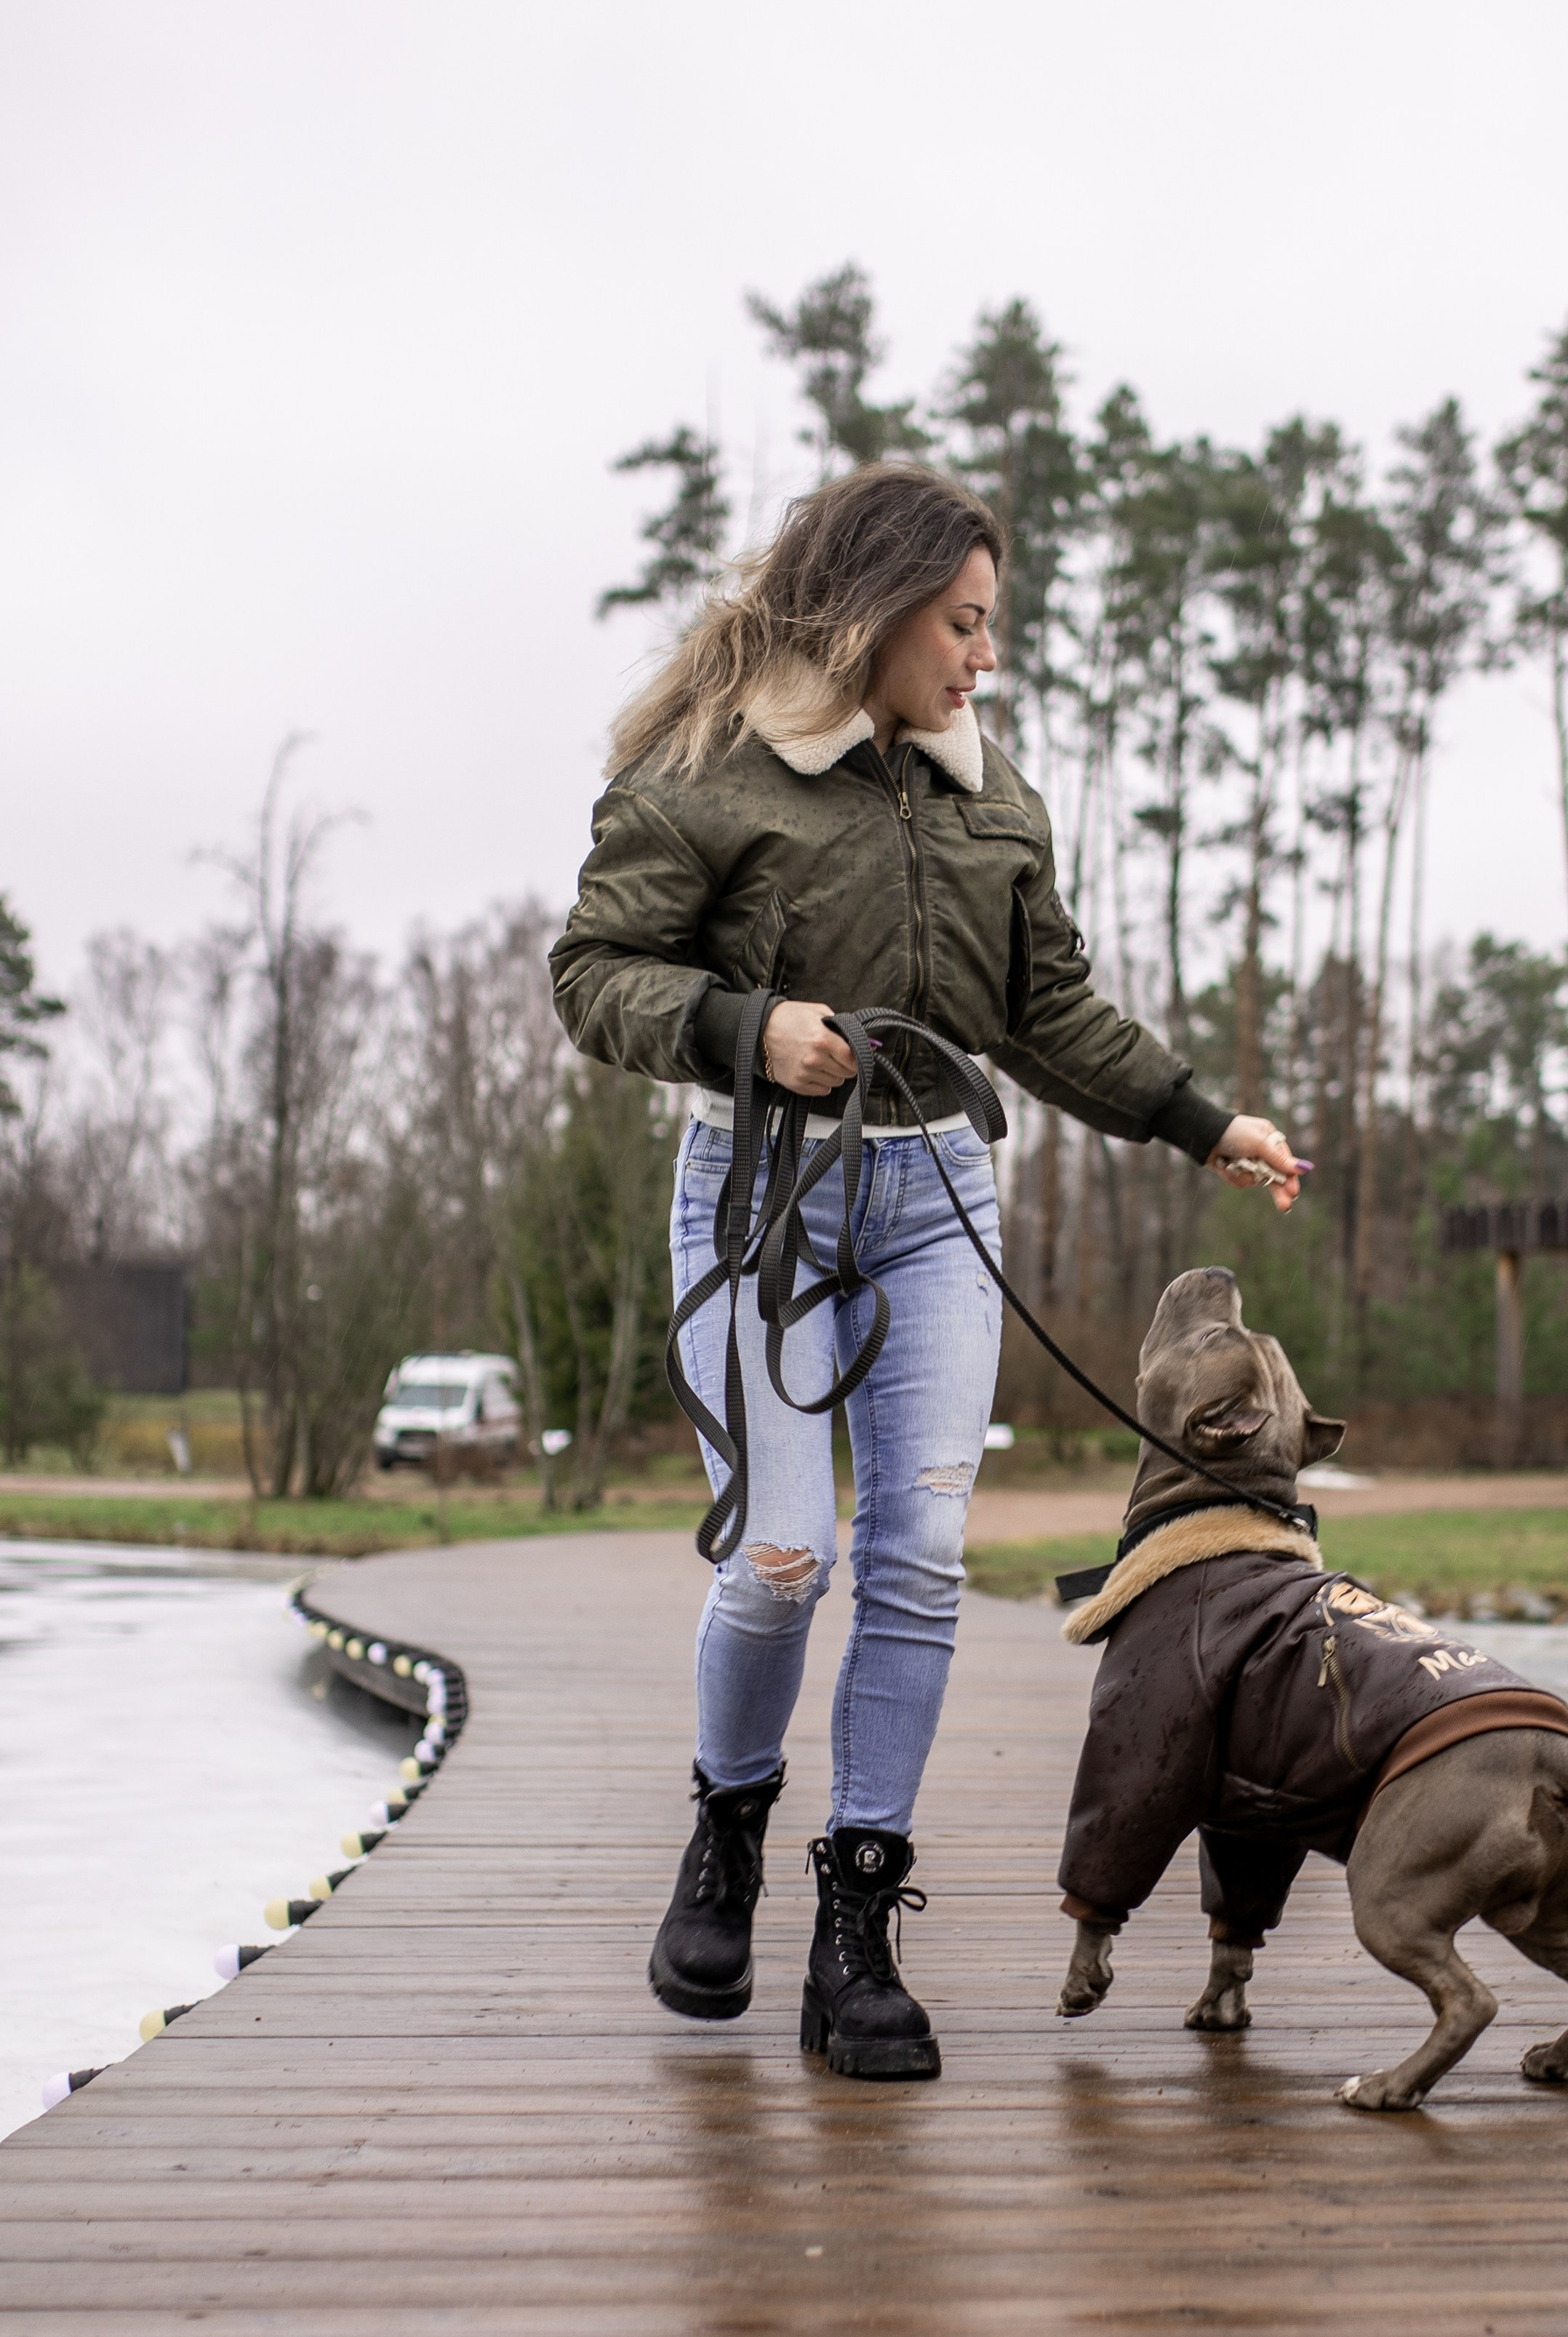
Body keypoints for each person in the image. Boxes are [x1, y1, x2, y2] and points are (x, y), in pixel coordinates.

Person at [550, 461, 1301, 2080]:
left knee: (921, 1553)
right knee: (779, 1558)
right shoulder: (712, 765)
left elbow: (1047, 1013)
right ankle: (730, 1825)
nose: (981, 659)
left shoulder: (990, 796)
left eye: (989, 628)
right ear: (880, 606)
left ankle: (856, 1915)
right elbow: (594, 970)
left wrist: (1201, 1119)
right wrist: (751, 1029)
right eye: (962, 624)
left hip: (935, 1192)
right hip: (754, 1193)